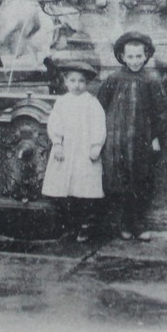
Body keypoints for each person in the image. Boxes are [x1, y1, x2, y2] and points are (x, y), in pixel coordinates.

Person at [96, 31, 167, 241]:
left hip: (141, 140)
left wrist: (156, 136)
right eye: (130, 57)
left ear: (146, 55)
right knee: (118, 182)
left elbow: (163, 112)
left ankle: (137, 224)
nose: (135, 61)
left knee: (141, 182)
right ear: (122, 56)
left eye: (139, 56)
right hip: (117, 141)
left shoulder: (151, 80)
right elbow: (99, 106)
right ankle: (122, 224)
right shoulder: (114, 79)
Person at [39, 58, 106, 242]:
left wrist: (96, 146)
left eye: (81, 81)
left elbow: (99, 125)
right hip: (66, 151)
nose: (77, 85)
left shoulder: (91, 103)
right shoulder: (62, 102)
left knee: (84, 189)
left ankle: (86, 225)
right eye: (73, 81)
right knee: (64, 188)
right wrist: (57, 143)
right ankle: (70, 225)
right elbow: (55, 123)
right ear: (66, 81)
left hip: (84, 151)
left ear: (87, 83)